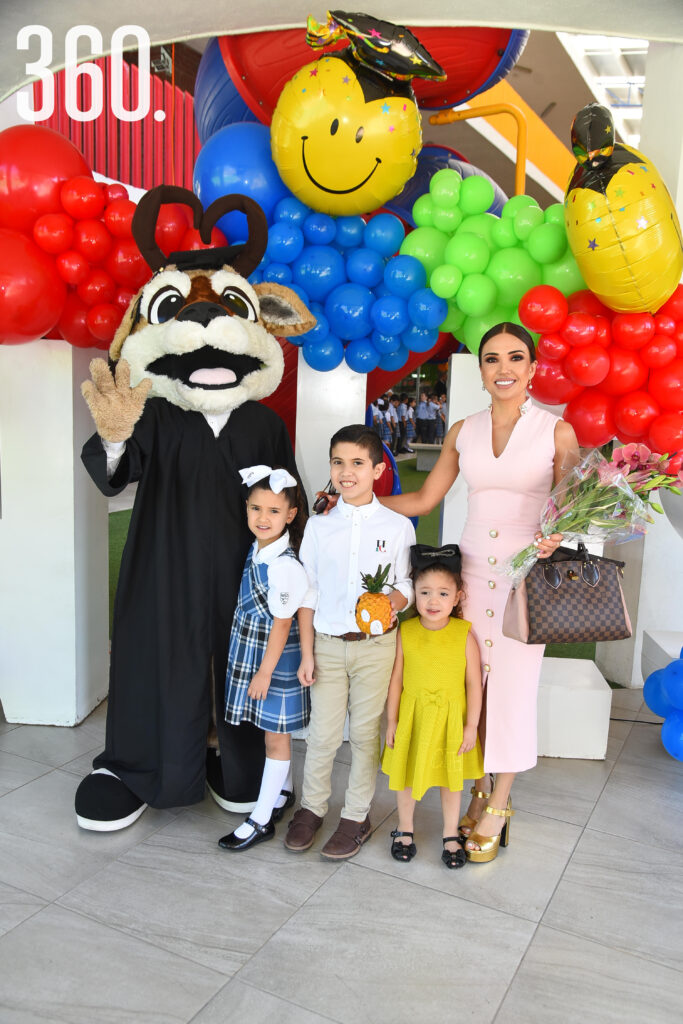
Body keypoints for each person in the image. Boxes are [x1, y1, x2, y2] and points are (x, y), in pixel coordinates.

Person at [380, 323, 579, 863]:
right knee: (471, 688)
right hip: (467, 576)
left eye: (516, 358)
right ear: (481, 370)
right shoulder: (462, 430)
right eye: (492, 359)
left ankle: (500, 804)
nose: (504, 368)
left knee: (512, 690)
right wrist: (359, 507)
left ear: (533, 368)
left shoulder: (557, 432)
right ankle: (475, 787)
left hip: (524, 583)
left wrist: (560, 530)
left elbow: (568, 509)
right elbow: (423, 499)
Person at [286, 424, 416, 859]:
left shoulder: (397, 527)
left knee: (364, 735)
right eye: (338, 462)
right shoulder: (320, 528)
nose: (347, 472)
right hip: (325, 643)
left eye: (358, 463)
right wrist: (306, 651)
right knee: (321, 735)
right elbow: (308, 591)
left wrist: (389, 603)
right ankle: (311, 808)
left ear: (378, 469)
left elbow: (407, 585)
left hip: (376, 648)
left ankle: (356, 816)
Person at [219, 465, 311, 851]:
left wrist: (264, 674)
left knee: (276, 739)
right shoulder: (258, 550)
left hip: (273, 661)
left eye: (274, 511)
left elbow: (280, 625)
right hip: (256, 653)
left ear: (290, 514)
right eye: (255, 508)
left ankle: (260, 820)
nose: (262, 518)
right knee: (270, 732)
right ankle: (282, 793)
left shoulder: (284, 565)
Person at [382, 544, 484, 869]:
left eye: (442, 593)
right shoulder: (406, 631)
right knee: (407, 775)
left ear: (457, 596)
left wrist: (471, 726)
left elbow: (473, 683)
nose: (433, 601)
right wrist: (392, 721)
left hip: (451, 719)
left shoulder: (464, 634)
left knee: (450, 778)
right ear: (414, 594)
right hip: (414, 717)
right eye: (424, 592)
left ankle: (451, 833)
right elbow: (396, 679)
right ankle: (405, 828)